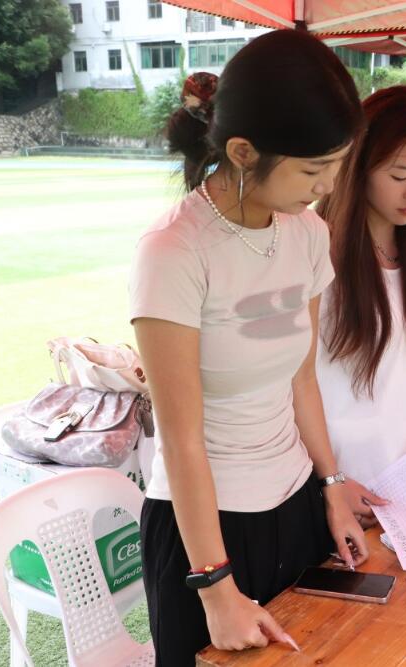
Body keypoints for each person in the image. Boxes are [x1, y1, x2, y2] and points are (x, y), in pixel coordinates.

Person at [129, 31, 368, 663]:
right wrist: (215, 586)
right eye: (313, 169)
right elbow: (181, 438)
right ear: (242, 152)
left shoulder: (307, 232)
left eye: (337, 164)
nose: (328, 184)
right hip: (206, 533)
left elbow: (302, 380)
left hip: (294, 504)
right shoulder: (174, 251)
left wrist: (332, 487)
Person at [315, 86, 406, 523]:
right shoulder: (316, 251)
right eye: (399, 175)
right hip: (346, 491)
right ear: (360, 164)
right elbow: (292, 386)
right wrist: (331, 481)